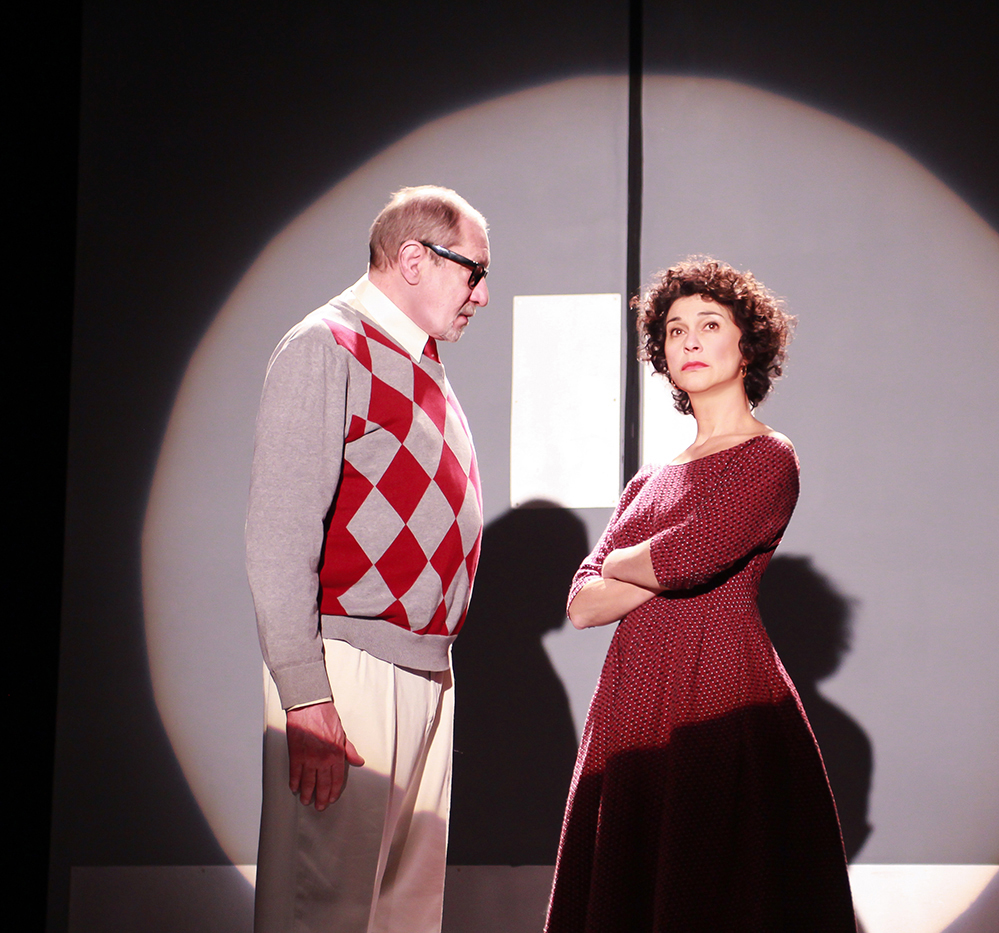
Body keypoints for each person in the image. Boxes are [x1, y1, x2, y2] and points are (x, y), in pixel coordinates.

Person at [544, 258, 857, 932]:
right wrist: (651, 564)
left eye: (709, 325)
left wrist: (621, 562)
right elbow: (582, 603)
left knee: (711, 885)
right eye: (675, 329)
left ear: (748, 345)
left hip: (718, 690)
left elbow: (688, 561)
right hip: (632, 698)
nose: (689, 340)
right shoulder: (647, 480)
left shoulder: (770, 456)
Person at [246, 185, 489, 933]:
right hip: (350, 669)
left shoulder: (421, 360)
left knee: (402, 913)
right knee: (324, 905)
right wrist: (305, 697)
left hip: (427, 668)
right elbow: (278, 535)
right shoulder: (326, 345)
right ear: (414, 258)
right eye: (474, 271)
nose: (482, 294)